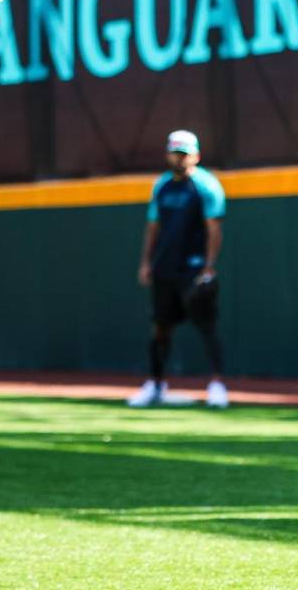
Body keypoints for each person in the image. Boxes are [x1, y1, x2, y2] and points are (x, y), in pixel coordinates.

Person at [129, 130, 229, 409]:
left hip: (194, 269)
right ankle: (156, 383)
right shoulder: (161, 186)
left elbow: (214, 230)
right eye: (176, 152)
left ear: (196, 155)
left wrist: (208, 267)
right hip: (164, 269)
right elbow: (153, 227)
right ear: (168, 154)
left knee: (206, 327)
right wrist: (146, 263)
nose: (180, 158)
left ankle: (218, 384)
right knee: (160, 327)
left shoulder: (206, 185)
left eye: (185, 153)